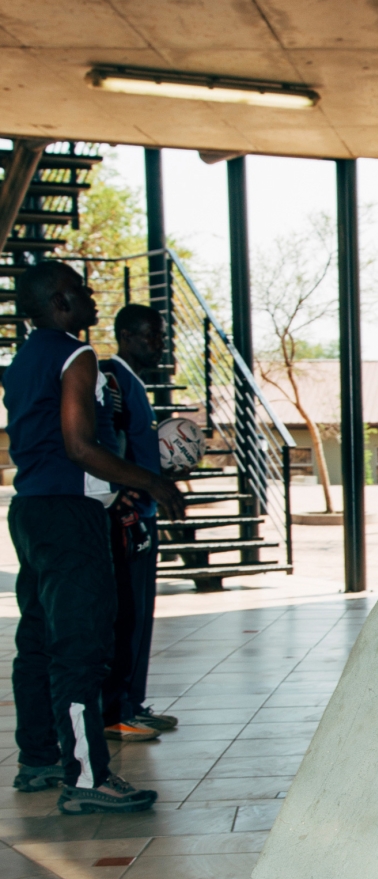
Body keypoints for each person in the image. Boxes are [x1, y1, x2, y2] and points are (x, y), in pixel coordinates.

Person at [2, 263, 186, 814]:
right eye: (81, 291)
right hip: (71, 519)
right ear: (60, 304)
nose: (90, 296)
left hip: (32, 511)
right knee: (81, 647)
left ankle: (38, 757)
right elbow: (80, 445)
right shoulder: (75, 355)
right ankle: (87, 777)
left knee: (37, 640)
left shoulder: (20, 361)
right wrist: (150, 479)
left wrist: (115, 482)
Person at [101, 305, 179, 744]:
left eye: (161, 336)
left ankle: (133, 703)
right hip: (128, 515)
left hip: (146, 511)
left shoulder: (134, 381)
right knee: (125, 615)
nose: (159, 344)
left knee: (141, 614)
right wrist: (121, 490)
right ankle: (116, 711)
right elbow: (102, 438)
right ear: (126, 335)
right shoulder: (111, 375)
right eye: (151, 336)